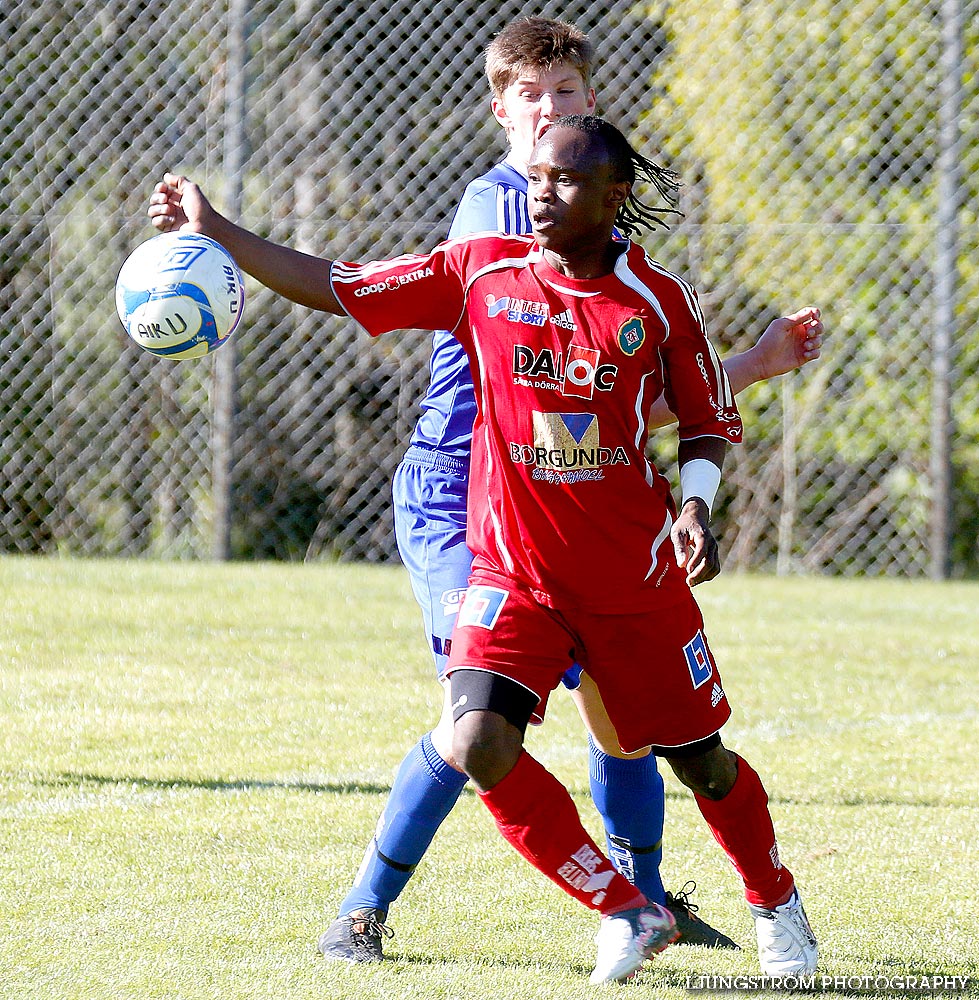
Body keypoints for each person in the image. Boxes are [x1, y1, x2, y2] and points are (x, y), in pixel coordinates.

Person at [147, 112, 819, 985]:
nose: (541, 194)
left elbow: (703, 417)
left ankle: (776, 906)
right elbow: (338, 283)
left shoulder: (656, 302)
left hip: (633, 580)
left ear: (615, 198)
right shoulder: (480, 273)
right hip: (516, 575)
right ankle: (624, 908)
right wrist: (218, 231)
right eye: (535, 177)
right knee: (478, 741)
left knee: (702, 764)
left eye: (566, 181)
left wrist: (694, 508)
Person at [308, 16, 820, 964]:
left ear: (593, 107)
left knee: (620, 721)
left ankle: (643, 903)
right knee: (474, 721)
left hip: (573, 502)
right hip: (465, 488)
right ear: (501, 110)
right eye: (531, 98)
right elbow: (548, 390)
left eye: (569, 95)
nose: (551, 111)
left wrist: (740, 365)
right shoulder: (499, 216)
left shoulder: (610, 240)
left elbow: (613, 406)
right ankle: (364, 907)